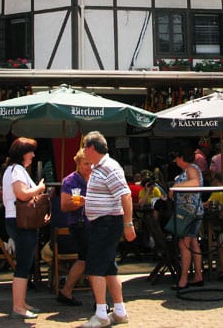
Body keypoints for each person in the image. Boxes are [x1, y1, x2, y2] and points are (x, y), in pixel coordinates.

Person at [81, 131, 135, 328]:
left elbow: (125, 195)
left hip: (106, 223)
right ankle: (119, 311)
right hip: (105, 222)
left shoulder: (109, 167)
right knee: (109, 268)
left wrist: (128, 223)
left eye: (85, 147)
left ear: (92, 148)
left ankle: (101, 314)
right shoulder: (100, 166)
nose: (83, 151)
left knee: (95, 267)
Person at [2, 137, 46, 320]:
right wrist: (40, 188)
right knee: (23, 264)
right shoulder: (17, 170)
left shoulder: (13, 170)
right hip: (21, 221)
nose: (33, 155)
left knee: (25, 263)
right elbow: (21, 194)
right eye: (31, 151)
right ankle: (18, 306)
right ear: (23, 154)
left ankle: (21, 302)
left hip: (16, 220)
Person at [57, 148, 92, 306]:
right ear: (77, 163)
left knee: (85, 260)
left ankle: (66, 292)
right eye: (86, 163)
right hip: (79, 224)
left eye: (92, 163)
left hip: (95, 223)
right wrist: (79, 202)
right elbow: (64, 206)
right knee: (89, 258)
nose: (89, 167)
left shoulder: (96, 178)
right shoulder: (70, 181)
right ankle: (98, 299)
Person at [169, 144, 204, 292]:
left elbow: (195, 183)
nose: (175, 160)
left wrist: (176, 187)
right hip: (194, 211)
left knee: (184, 245)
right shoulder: (191, 169)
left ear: (182, 157)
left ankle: (183, 280)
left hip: (189, 212)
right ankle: (198, 276)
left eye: (177, 157)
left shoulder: (191, 169)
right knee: (194, 244)